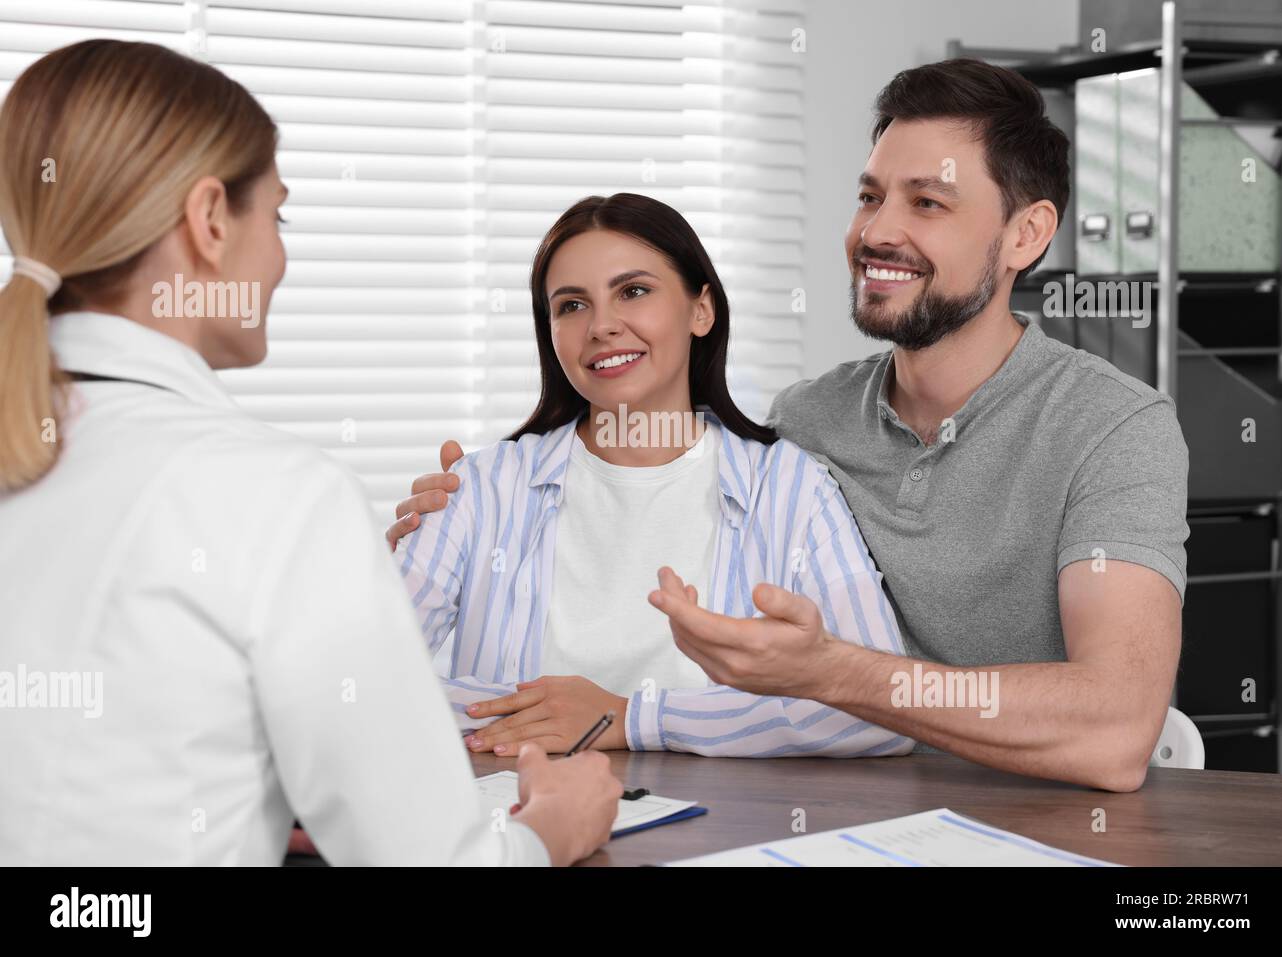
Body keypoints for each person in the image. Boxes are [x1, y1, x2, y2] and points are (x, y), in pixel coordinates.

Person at [389, 59, 1190, 792]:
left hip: (1042, 822)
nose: (876, 231)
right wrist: (457, 510)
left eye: (927, 201)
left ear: (1027, 234)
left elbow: (1117, 727)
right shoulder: (805, 424)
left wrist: (829, 674)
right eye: (870, 195)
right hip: (855, 814)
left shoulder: (1115, 428)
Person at [0, 39, 620, 866]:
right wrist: (553, 827)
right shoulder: (271, 495)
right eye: (278, 214)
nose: (282, 256)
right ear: (211, 219)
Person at [394, 193, 913, 759]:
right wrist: (546, 714)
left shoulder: (791, 490)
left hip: (722, 833)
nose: (601, 326)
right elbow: (353, 683)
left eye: (633, 292)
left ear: (701, 310)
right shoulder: (480, 489)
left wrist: (631, 718)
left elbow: (883, 712)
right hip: (526, 828)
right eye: (571, 306)